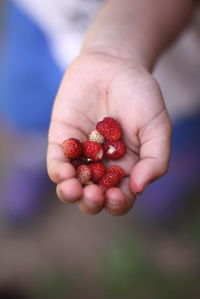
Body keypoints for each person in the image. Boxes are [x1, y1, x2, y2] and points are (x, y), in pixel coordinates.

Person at [46, 0, 198, 216]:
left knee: (177, 126)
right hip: (58, 28)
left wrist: (114, 53)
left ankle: (184, 157)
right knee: (27, 104)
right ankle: (33, 153)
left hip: (161, 53)